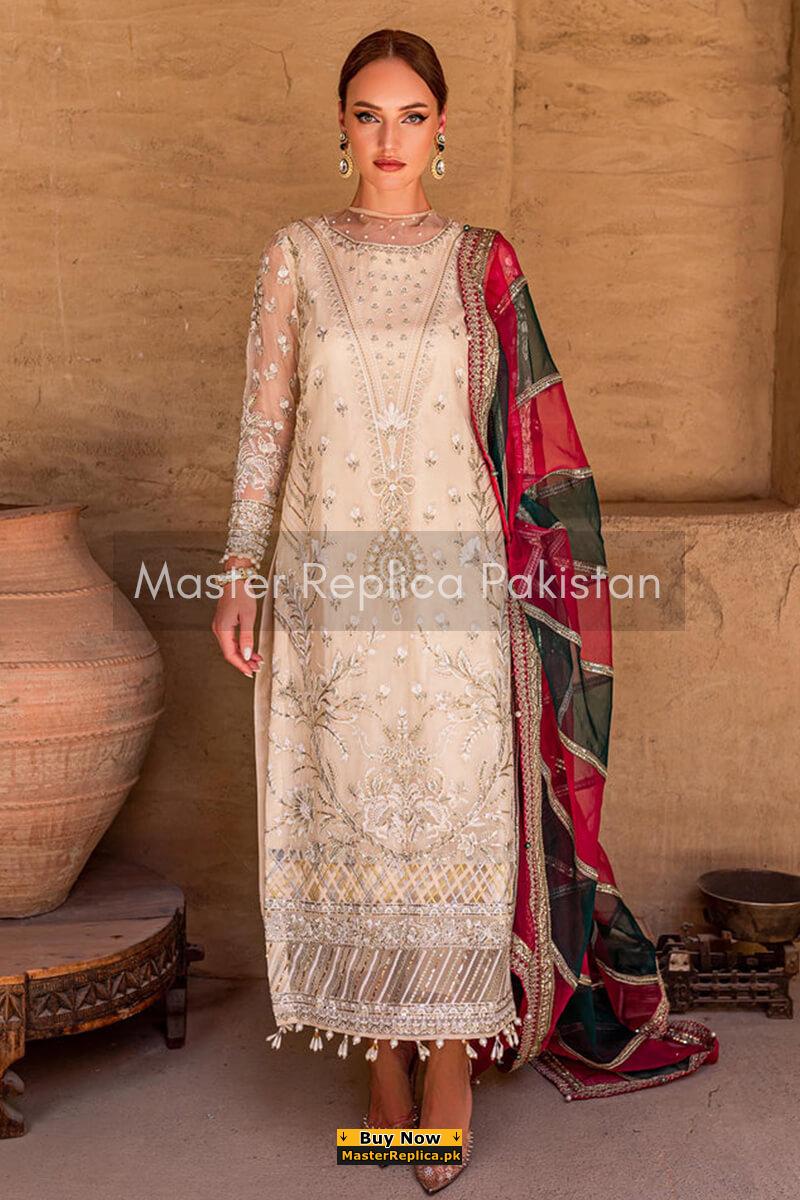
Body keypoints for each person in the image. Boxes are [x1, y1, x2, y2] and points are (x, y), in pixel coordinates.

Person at [211, 28, 718, 1194]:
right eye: (366, 114)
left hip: (455, 594)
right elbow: (264, 427)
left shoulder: (480, 262)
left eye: (410, 116)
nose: (387, 138)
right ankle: (380, 1061)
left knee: (455, 820)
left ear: (441, 130)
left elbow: (525, 445)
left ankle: (447, 1057)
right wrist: (240, 570)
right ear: (340, 125)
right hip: (331, 594)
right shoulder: (293, 258)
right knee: (349, 819)